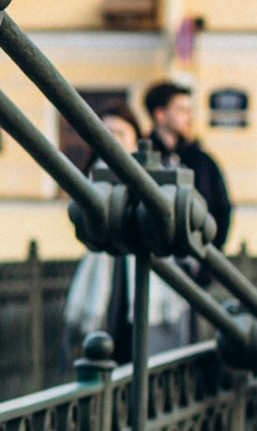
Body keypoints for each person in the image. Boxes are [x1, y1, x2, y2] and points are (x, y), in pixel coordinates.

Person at [62, 109, 192, 363]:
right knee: (108, 333)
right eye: (107, 132)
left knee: (139, 338)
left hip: (140, 263)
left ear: (135, 138)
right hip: (107, 265)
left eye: (120, 133)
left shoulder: (153, 172)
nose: (113, 139)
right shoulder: (94, 175)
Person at [145, 81, 232, 252]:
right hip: (153, 260)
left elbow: (221, 209)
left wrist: (207, 258)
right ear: (160, 114)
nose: (189, 117)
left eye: (189, 110)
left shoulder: (201, 161)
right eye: (181, 110)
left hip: (195, 263)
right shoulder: (142, 158)